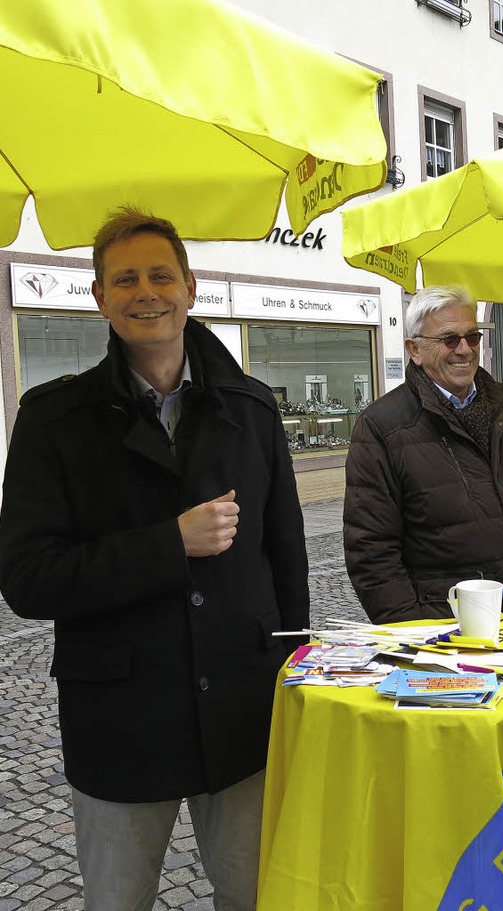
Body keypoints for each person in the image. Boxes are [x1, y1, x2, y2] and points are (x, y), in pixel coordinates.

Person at [0, 207, 310, 911]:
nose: (147, 291)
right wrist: (168, 543)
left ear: (191, 288)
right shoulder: (53, 420)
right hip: (119, 715)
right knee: (118, 900)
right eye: (126, 278)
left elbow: (287, 564)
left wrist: (294, 676)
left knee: (258, 893)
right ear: (99, 296)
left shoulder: (253, 409)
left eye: (161, 274)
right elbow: (26, 576)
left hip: (241, 706)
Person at [343, 284, 503, 623]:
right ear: (415, 349)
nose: (464, 350)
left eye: (473, 337)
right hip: (450, 630)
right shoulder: (383, 426)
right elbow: (371, 552)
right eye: (449, 339)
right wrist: (414, 632)